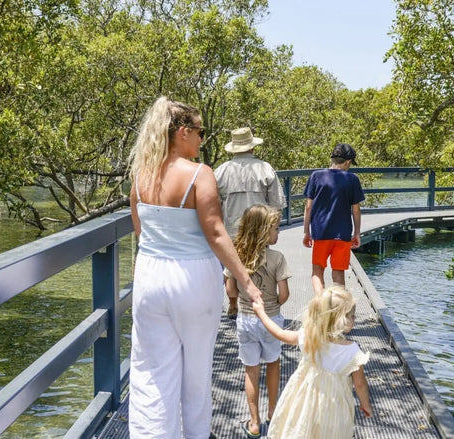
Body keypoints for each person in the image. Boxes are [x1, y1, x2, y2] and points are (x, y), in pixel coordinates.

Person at [127, 96, 264, 439]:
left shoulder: (141, 175)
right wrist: (247, 283)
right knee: (196, 371)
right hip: (192, 280)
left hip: (149, 277)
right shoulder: (199, 174)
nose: (203, 139)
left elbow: (141, 233)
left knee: (151, 372)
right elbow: (216, 233)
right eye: (200, 131)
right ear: (183, 132)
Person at [250, 285, 373, 438]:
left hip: (304, 401)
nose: (354, 319)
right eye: (352, 315)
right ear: (341, 320)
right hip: (334, 407)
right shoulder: (352, 351)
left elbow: (280, 333)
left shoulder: (309, 337)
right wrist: (365, 404)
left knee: (302, 430)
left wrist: (261, 313)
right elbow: (360, 384)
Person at [223, 204, 290, 438]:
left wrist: (238, 302)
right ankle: (273, 414)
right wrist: (274, 305)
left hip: (246, 319)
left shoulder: (236, 256)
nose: (278, 233)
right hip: (271, 319)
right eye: (275, 229)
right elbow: (284, 294)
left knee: (251, 370)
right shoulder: (277, 258)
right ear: (263, 232)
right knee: (273, 364)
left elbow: (230, 289)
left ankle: (254, 422)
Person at [215, 127, 286, 317]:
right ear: (252, 147)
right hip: (261, 230)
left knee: (231, 269)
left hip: (231, 231)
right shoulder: (265, 168)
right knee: (260, 266)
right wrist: (274, 229)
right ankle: (262, 303)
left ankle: (233, 303)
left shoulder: (221, 171)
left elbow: (213, 207)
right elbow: (277, 204)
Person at [302, 143, 364, 293]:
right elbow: (356, 210)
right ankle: (340, 310)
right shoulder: (352, 179)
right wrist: (357, 233)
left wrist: (306, 232)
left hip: (321, 232)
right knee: (338, 274)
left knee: (317, 272)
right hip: (342, 235)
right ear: (348, 162)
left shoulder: (316, 176)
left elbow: (308, 207)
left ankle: (320, 306)